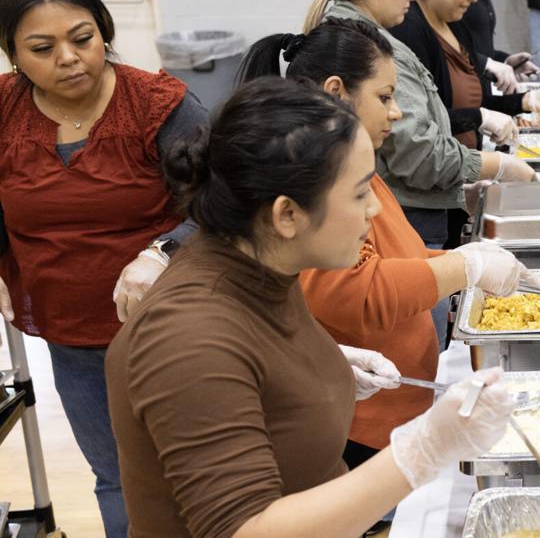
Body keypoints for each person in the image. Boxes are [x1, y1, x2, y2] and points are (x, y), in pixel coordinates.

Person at [105, 76, 516, 537]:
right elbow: (243, 529)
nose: (374, 213)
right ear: (287, 215)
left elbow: (257, 369)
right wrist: (422, 450)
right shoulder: (188, 339)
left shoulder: (262, 272)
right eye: (360, 194)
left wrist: (313, 368)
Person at [238, 19, 537, 477]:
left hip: (397, 410)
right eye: (384, 97)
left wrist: (470, 263)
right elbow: (358, 291)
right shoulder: (311, 185)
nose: (396, 112)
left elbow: (399, 261)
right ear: (337, 92)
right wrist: (464, 266)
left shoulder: (353, 167)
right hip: (361, 429)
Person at [0, 0, 208, 537]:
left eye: (83, 38)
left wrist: (162, 251)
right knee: (115, 477)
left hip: (170, 326)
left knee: (193, 474)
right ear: (13, 54)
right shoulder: (3, 111)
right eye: (42, 48)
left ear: (105, 31)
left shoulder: (158, 105)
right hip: (75, 337)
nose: (68, 58)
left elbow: (227, 198)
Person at [305, 0, 535, 344]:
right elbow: (418, 152)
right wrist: (493, 167)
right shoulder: (363, 46)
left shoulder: (374, 39)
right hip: (412, 217)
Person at [391, 0, 540, 254]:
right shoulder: (410, 31)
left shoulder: (453, 24)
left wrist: (526, 101)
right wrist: (485, 133)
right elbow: (425, 122)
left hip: (454, 184)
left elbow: (474, 95)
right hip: (426, 196)